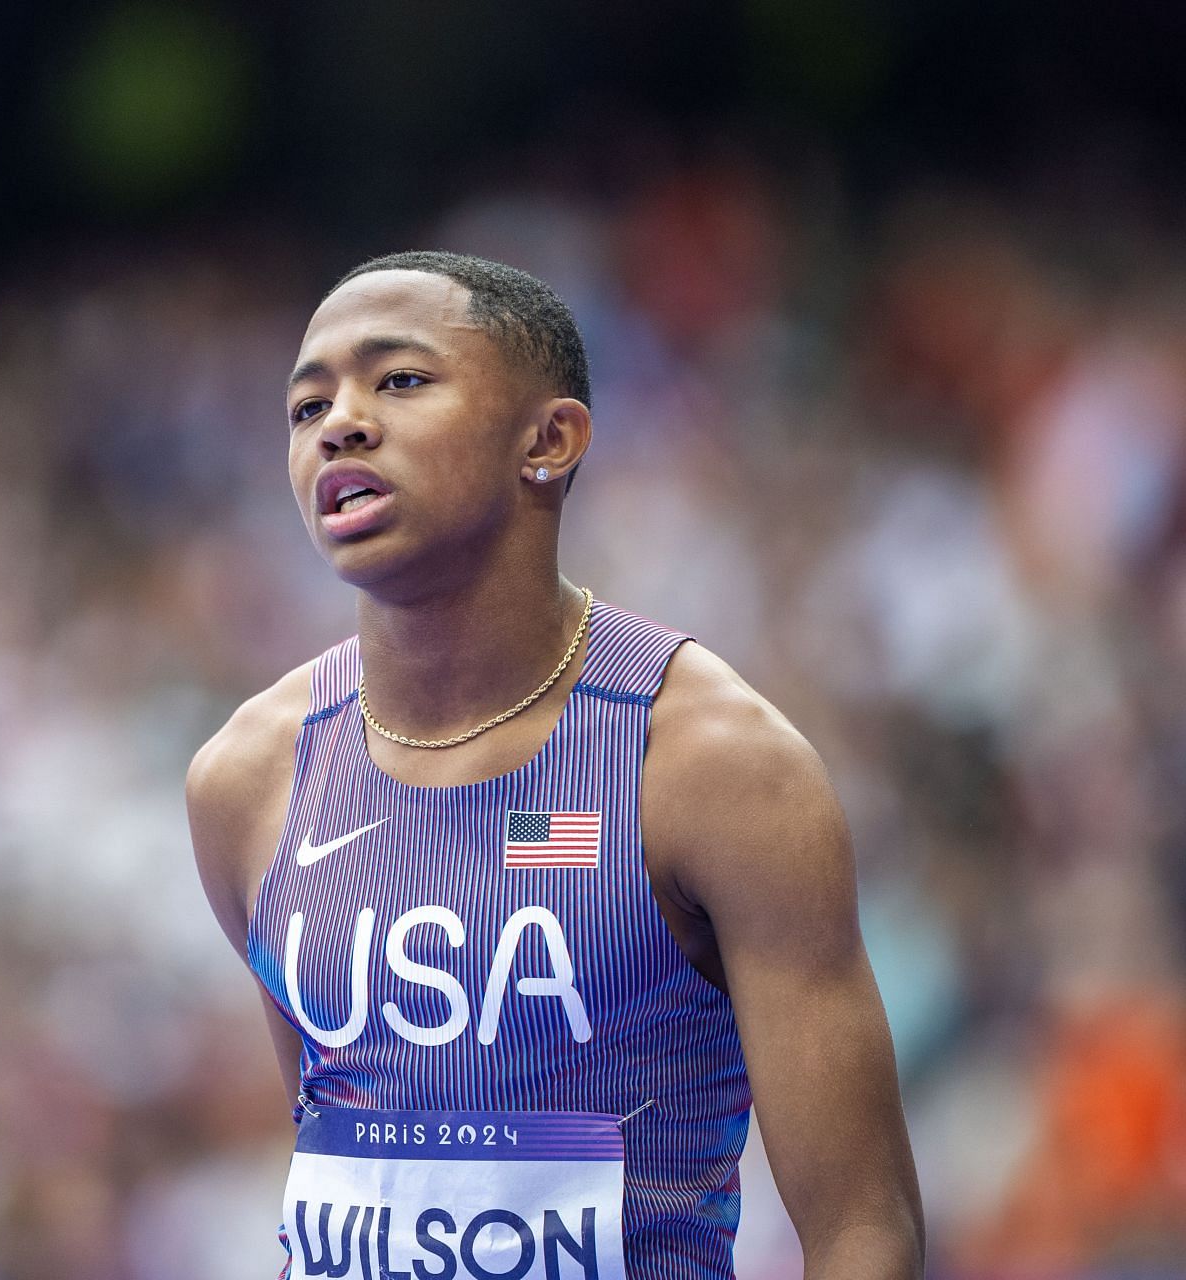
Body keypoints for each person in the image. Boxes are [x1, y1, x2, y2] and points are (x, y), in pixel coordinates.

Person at [185, 251, 924, 1279]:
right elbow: (347, 1141)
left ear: (550, 438)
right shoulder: (246, 779)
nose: (340, 423)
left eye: (399, 380)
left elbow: (863, 1226)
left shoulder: (713, 765)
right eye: (308, 405)